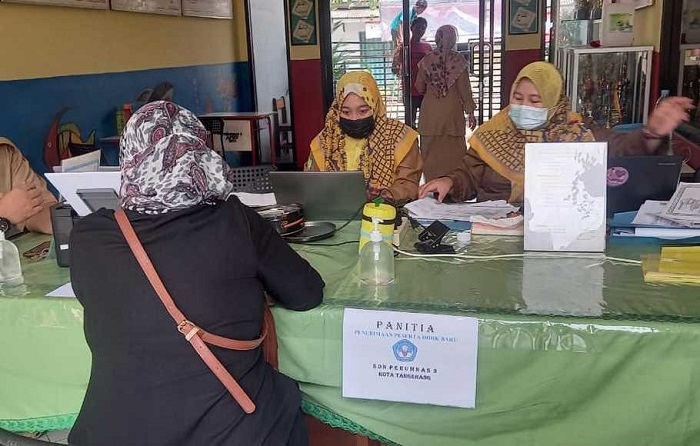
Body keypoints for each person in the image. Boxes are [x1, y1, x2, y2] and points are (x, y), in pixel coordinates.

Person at [68, 101, 325, 446]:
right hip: (233, 431)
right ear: (201, 151)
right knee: (282, 397)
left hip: (112, 433)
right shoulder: (235, 221)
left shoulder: (89, 235)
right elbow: (306, 293)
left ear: (131, 159)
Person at [419, 61, 694, 204]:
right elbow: (469, 173)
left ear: (552, 101)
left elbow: (623, 148)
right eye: (517, 97)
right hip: (497, 236)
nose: (524, 106)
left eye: (535, 100)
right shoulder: (494, 132)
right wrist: (450, 182)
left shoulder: (576, 133)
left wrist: (651, 133)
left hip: (562, 238)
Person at [306, 71, 423, 205]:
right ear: (337, 110)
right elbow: (311, 185)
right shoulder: (325, 141)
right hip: (334, 215)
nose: (354, 118)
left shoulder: (400, 137)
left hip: (384, 215)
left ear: (374, 106)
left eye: (363, 111)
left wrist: (386, 195)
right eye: (346, 112)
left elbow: (409, 184)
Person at [415, 24, 477, 182]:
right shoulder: (459, 61)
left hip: (430, 113)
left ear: (437, 38)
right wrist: (470, 112)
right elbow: (465, 90)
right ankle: (453, 185)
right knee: (454, 151)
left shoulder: (426, 61)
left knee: (430, 151)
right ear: (453, 38)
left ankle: (432, 186)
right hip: (452, 114)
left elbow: (419, 86)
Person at [0, 138, 56, 234]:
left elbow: (39, 205)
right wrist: (3, 214)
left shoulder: (5, 152)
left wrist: (63, 223)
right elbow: (6, 211)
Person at [392, 17, 433, 128]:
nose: (420, 30)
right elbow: (395, 67)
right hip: (409, 89)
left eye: (423, 28)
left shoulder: (428, 47)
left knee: (427, 121)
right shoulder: (404, 47)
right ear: (411, 28)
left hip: (425, 90)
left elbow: (433, 67)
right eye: (418, 27)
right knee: (410, 122)